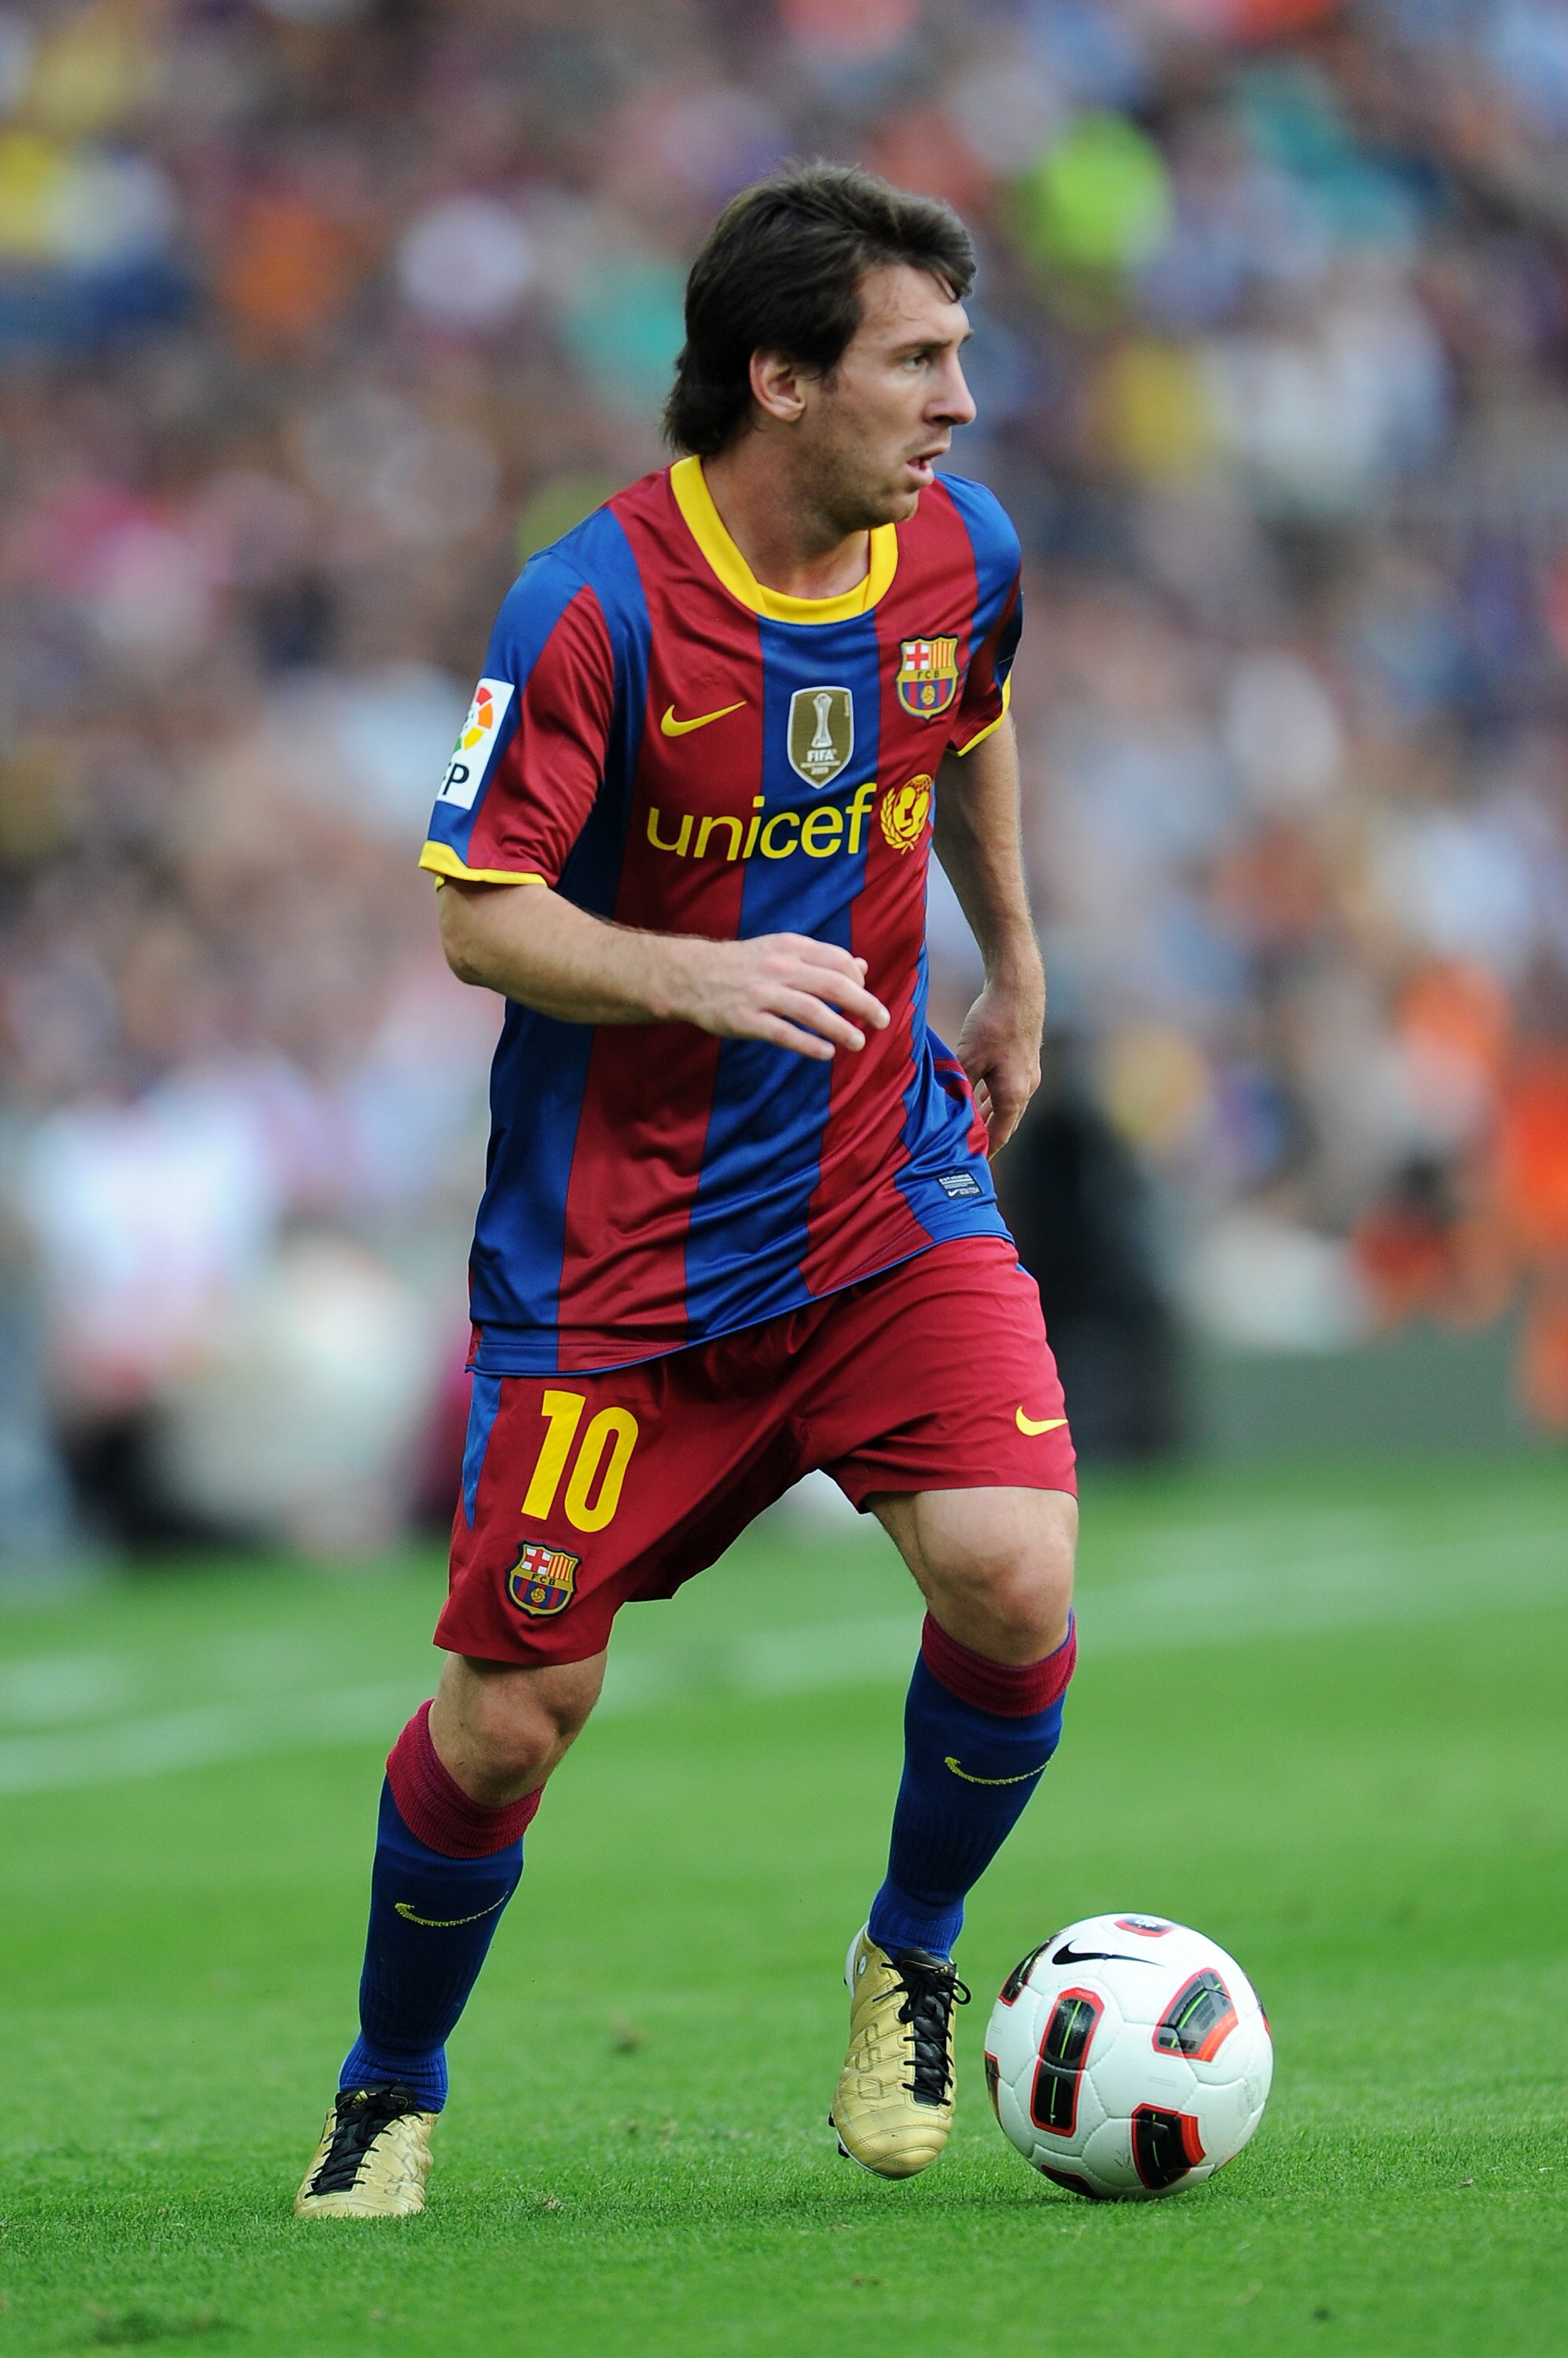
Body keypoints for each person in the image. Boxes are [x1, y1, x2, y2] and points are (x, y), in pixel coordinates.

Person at [294, 163, 1078, 2220]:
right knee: (509, 1718)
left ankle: (911, 1949)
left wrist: (1013, 961)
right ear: (780, 377)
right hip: (616, 1263)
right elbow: (479, 915)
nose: (962, 402)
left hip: (883, 1194)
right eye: (921, 361)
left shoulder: (956, 551)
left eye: (960, 356)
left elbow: (969, 711)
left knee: (1013, 1580)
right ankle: (391, 2081)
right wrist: (690, 972)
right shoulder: (597, 605)